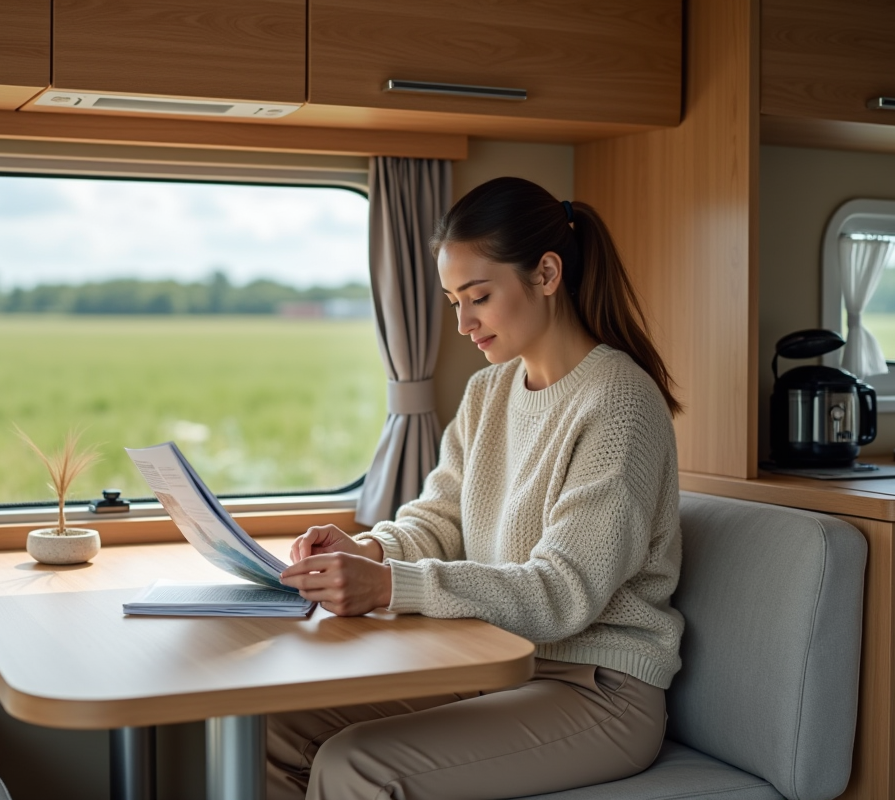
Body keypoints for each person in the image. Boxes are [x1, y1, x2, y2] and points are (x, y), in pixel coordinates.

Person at [271, 176, 685, 800]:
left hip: (597, 689)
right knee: (275, 725)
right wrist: (370, 551)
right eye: (452, 301)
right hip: (494, 660)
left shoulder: (620, 403)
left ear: (546, 274)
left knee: (356, 764)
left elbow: (562, 592)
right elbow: (438, 521)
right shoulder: (488, 393)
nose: (463, 323)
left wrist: (387, 586)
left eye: (478, 297)